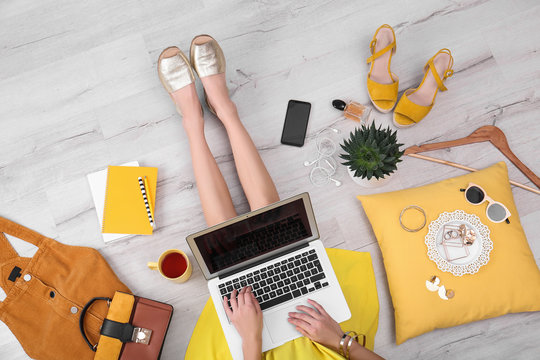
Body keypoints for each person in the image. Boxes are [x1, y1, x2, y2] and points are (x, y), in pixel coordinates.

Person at [158, 35, 383, 360]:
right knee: (274, 230)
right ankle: (224, 109)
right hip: (328, 346)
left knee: (227, 255)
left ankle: (192, 120)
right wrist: (342, 342)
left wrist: (251, 338)